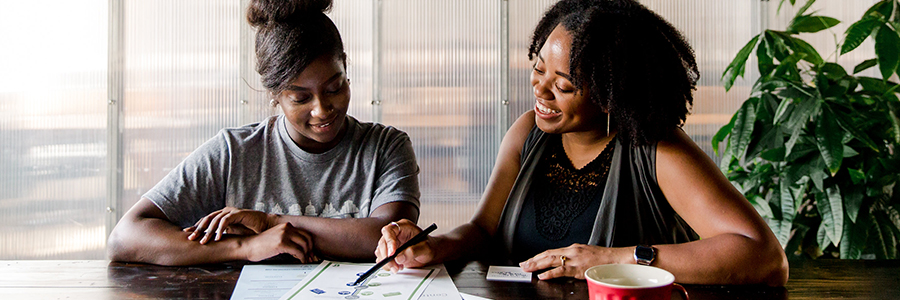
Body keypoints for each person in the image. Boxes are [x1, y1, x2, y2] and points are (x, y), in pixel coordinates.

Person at [375, 0, 788, 286]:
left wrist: (611, 259)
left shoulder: (656, 149)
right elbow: (484, 229)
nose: (541, 91)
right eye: (538, 70)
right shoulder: (528, 132)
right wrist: (430, 246)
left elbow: (763, 257)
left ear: (613, 92)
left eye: (565, 85)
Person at [107, 0, 420, 265]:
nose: (322, 109)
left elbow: (385, 237)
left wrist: (271, 221)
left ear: (346, 68)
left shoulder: (386, 147)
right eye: (300, 97)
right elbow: (126, 237)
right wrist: (245, 247)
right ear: (275, 94)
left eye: (334, 88)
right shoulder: (234, 152)